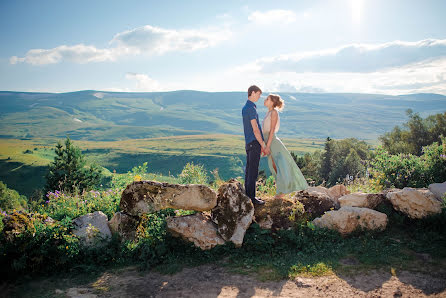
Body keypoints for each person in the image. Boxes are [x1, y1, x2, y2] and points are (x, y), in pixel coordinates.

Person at [262, 94, 308, 198]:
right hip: (268, 141)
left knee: (281, 166)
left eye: (267, 99)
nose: (265, 100)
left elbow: (272, 130)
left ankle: (282, 192)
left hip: (273, 142)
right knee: (274, 166)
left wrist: (267, 146)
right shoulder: (268, 112)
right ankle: (281, 190)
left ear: (273, 102)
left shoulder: (274, 112)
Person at [242, 85, 266, 205]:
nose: (259, 97)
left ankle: (248, 196)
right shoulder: (251, 108)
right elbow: (255, 128)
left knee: (249, 170)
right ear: (252, 92)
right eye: (258, 94)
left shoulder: (246, 107)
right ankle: (251, 198)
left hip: (249, 143)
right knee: (253, 171)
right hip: (254, 142)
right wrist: (262, 143)